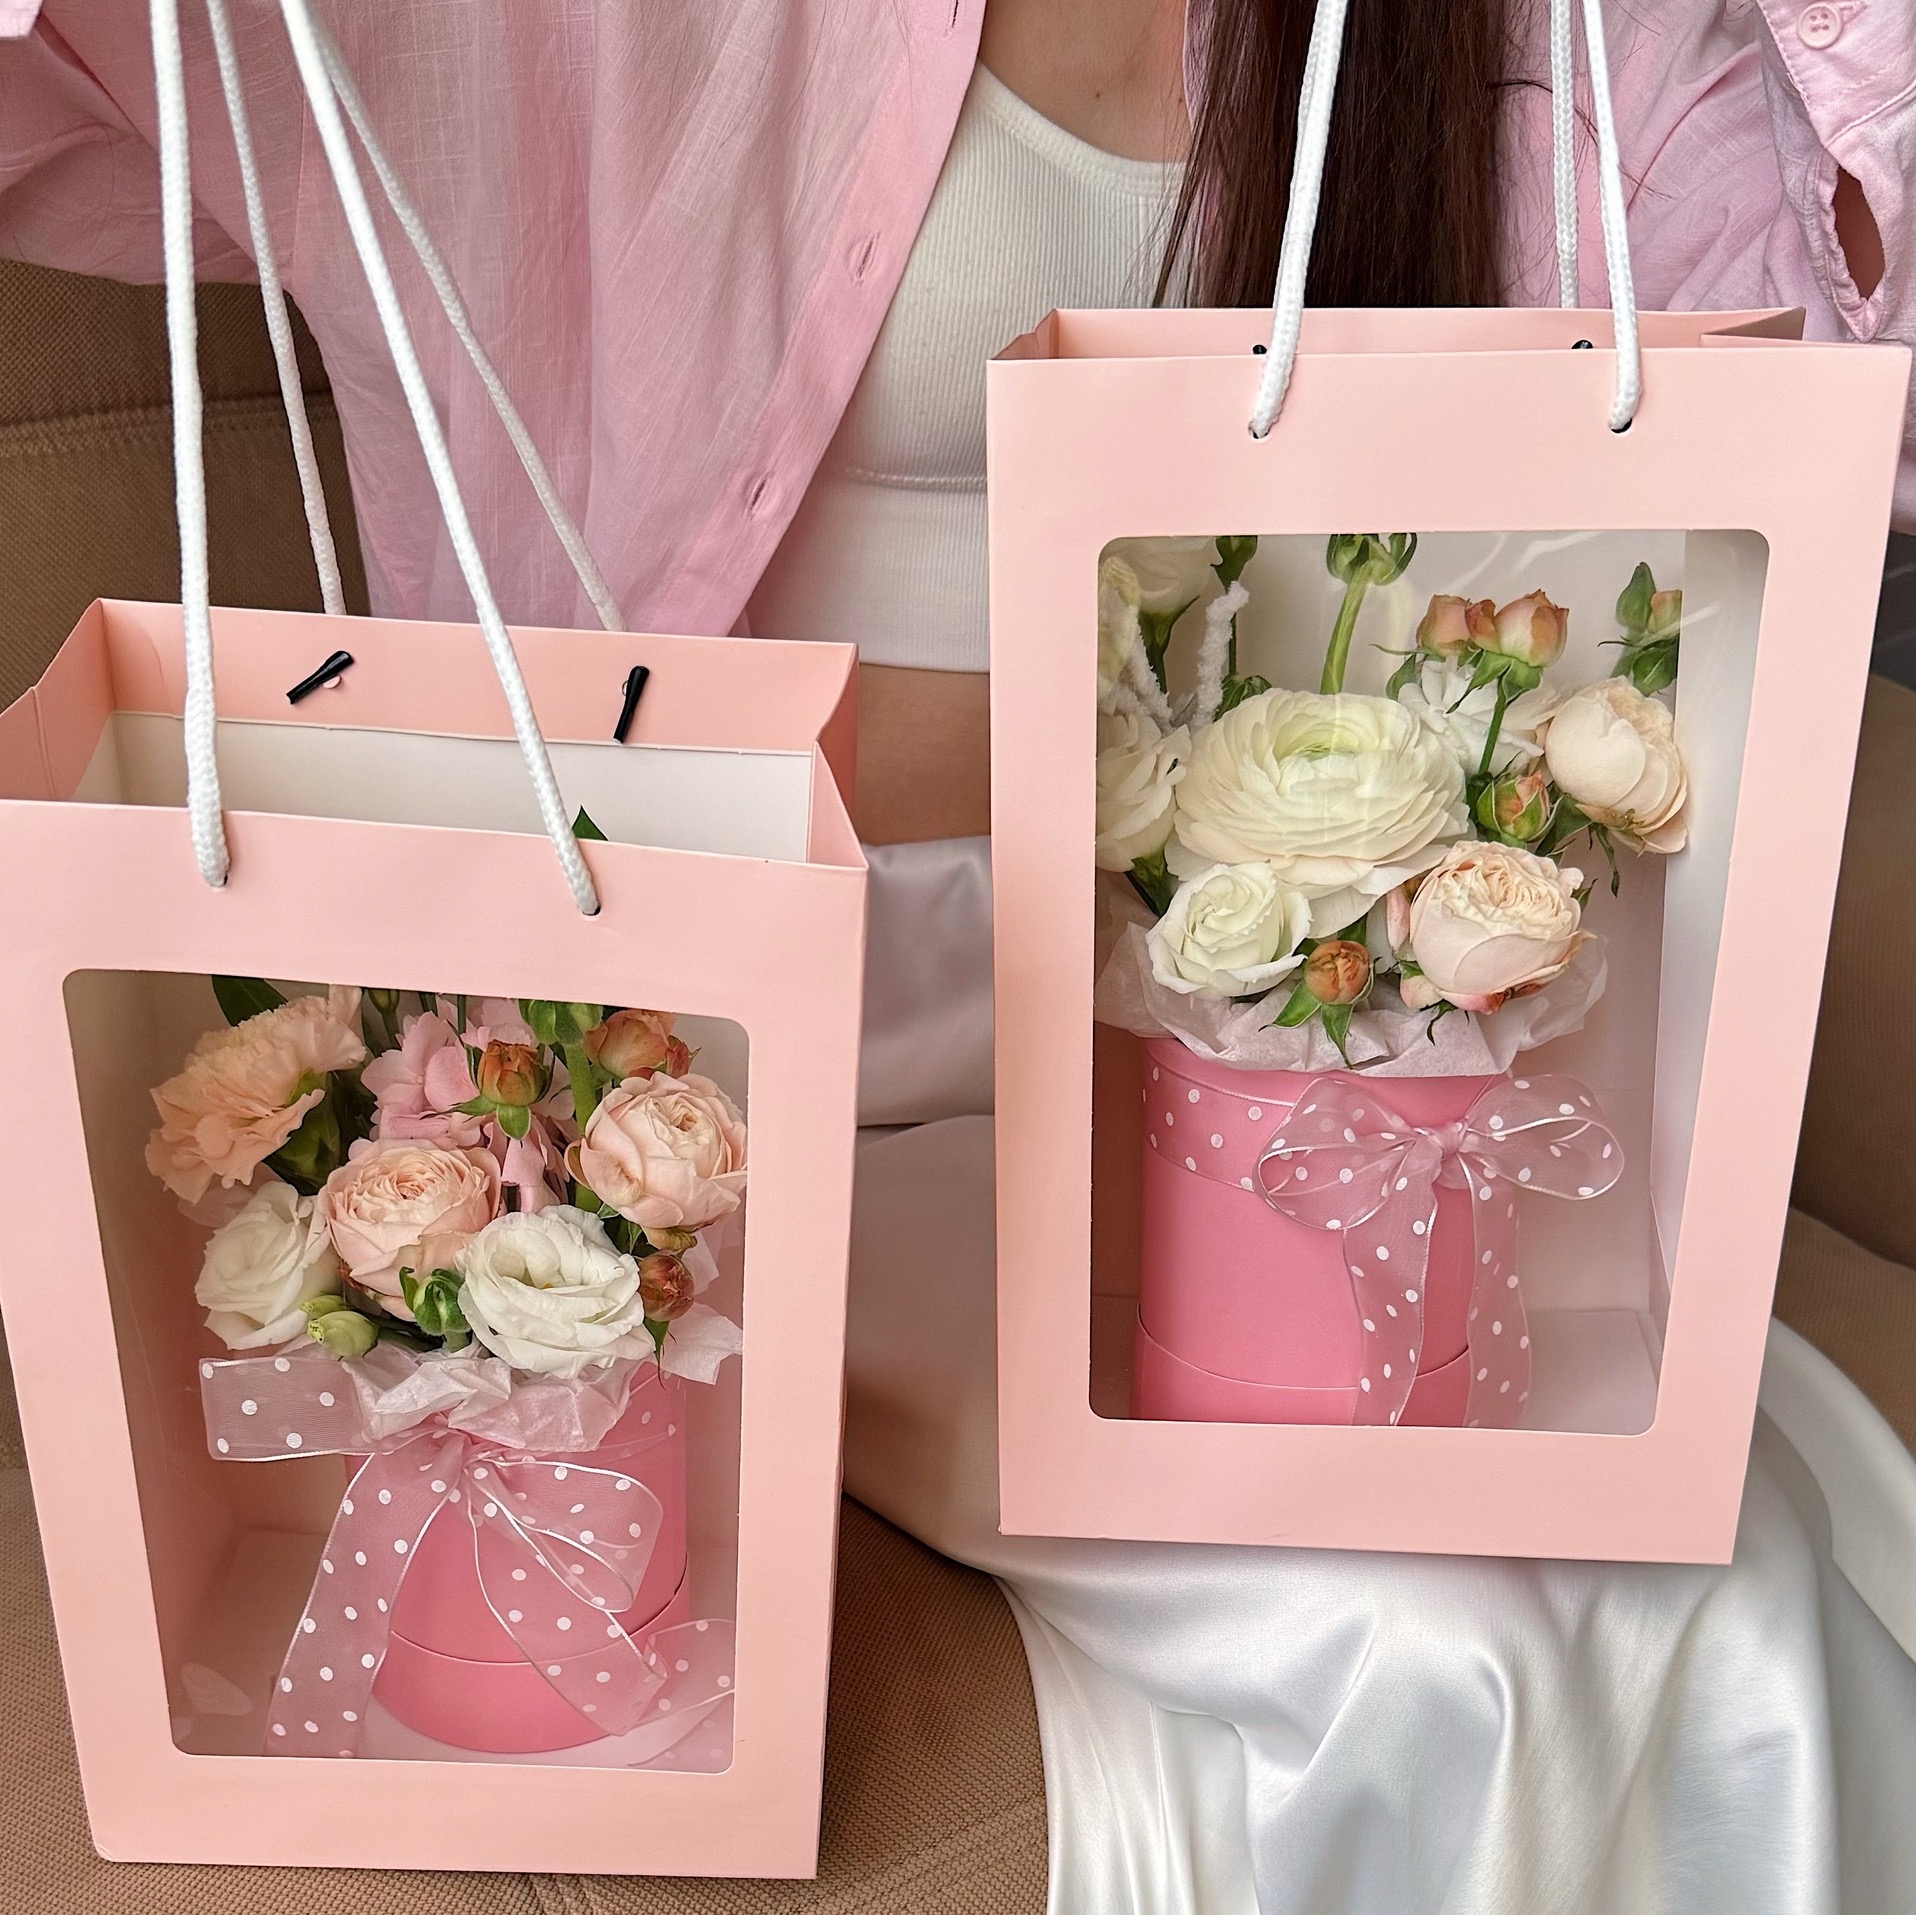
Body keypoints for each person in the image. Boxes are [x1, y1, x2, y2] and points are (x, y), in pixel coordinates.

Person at [2, 3, 1911, 1907]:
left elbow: (1842, 398)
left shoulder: (1562, 43)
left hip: (1234, 1060)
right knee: (1452, 1640)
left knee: (1699, 1594)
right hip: (731, 1094)